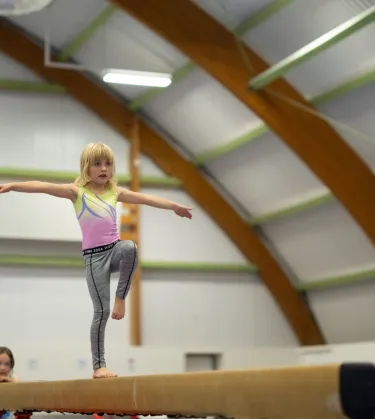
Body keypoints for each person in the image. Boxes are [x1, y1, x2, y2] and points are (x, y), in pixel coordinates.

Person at [0, 143, 193, 379]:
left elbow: (146, 198)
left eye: (108, 164)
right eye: (97, 164)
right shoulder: (77, 192)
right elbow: (43, 186)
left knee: (130, 247)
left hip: (114, 250)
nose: (103, 169)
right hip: (94, 260)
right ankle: (99, 366)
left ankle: (121, 297)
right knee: (101, 311)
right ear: (86, 168)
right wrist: (12, 186)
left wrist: (174, 206)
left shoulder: (115, 192)